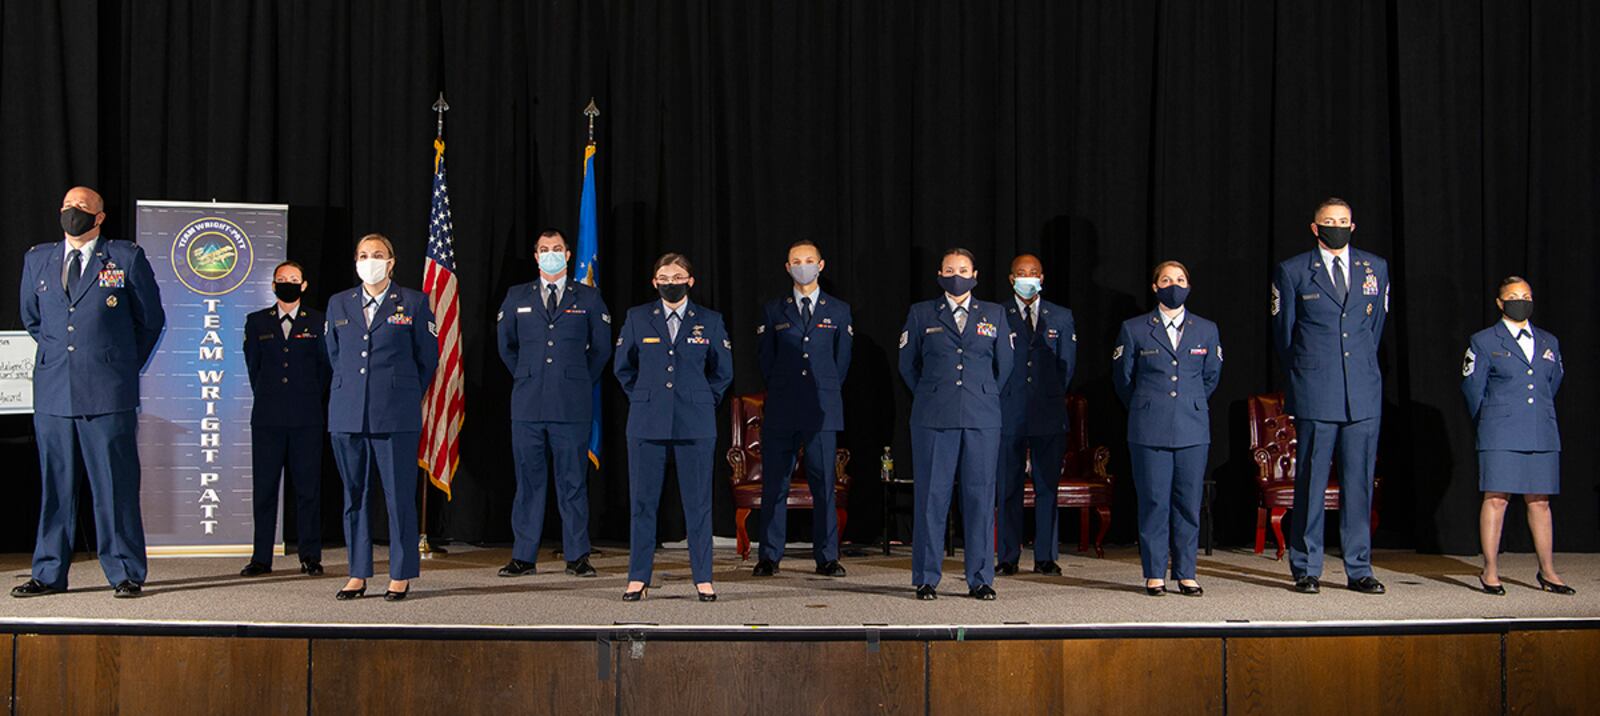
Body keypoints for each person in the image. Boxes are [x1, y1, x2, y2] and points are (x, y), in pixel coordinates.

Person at [12, 186, 165, 599]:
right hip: (54, 392)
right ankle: (48, 573)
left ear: (99, 218)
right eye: (66, 206)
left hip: (108, 392)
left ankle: (125, 572)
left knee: (114, 486)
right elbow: (32, 319)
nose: (72, 213)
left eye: (81, 208)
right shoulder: (37, 259)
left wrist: (118, 362)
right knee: (56, 487)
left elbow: (150, 320)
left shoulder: (125, 257)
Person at [1271, 197, 1390, 595]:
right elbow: (1286, 337)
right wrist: (1309, 373)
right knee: (1311, 482)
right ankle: (1306, 566)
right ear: (1315, 227)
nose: (1337, 226)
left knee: (1359, 484)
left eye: (1343, 221)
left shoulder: (1375, 268)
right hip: (1315, 390)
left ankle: (1359, 567)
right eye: (1329, 221)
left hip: (1362, 391)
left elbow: (1374, 330)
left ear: (1353, 226)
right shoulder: (1293, 271)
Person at [325, 234, 438, 601]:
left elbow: (427, 360)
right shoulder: (338, 303)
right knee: (354, 495)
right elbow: (334, 356)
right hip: (348, 414)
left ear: (391, 262)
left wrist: (398, 393)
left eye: (376, 255)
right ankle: (357, 573)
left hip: (395, 416)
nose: (368, 261)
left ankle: (400, 574)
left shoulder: (415, 303)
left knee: (398, 496)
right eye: (362, 255)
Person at [612, 253, 732, 601]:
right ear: (654, 282)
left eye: (677, 276)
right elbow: (623, 369)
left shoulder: (709, 321)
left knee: (698, 504)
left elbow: (722, 372)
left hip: (695, 423)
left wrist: (702, 399)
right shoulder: (637, 318)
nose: (670, 282)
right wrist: (646, 398)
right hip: (647, 423)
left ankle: (703, 577)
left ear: (690, 281)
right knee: (643, 503)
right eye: (664, 277)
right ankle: (638, 577)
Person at [495, 229, 612, 578]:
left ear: (568, 254)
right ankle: (524, 556)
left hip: (570, 405)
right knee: (529, 481)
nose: (550, 254)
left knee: (572, 481)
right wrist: (528, 376)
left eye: (556, 249)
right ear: (535, 256)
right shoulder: (517, 296)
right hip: (528, 405)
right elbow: (506, 347)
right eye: (544, 249)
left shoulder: (589, 298)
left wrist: (575, 379)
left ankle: (577, 554)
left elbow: (602, 350)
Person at [898, 248, 1014, 600]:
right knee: (932, 496)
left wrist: (981, 394)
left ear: (975, 274)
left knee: (980, 498)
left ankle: (980, 578)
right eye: (950, 269)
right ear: (939, 273)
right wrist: (934, 394)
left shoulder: (994, 314)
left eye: (963, 269)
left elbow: (1004, 366)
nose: (956, 274)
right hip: (934, 417)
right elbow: (908, 365)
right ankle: (926, 577)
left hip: (981, 417)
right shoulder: (921, 314)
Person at [1112, 261, 1221, 596]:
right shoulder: (1135, 329)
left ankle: (1187, 572)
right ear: (1155, 286)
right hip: (1149, 428)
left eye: (1180, 279)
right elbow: (1124, 380)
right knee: (1154, 502)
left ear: (1189, 285)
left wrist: (1185, 404)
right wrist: (1150, 406)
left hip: (1192, 428)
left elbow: (1210, 378)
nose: (1173, 284)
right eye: (1166, 279)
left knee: (1188, 503)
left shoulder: (1206, 329)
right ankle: (1155, 572)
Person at [1460, 276, 1573, 595]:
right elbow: (1472, 388)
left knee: (1540, 501)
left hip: (1541, 429)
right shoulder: (1484, 340)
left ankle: (1548, 571)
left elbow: (1554, 382)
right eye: (1513, 296)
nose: (1521, 301)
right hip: (1500, 429)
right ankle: (1490, 570)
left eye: (1526, 296)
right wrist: (1494, 417)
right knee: (1496, 498)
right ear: (1500, 303)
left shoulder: (1549, 341)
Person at [752, 240, 853, 578]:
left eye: (809, 260)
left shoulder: (838, 310)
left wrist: (820, 391)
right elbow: (766, 360)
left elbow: (842, 362)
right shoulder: (773, 309)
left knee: (824, 484)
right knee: (774, 485)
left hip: (822, 409)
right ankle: (768, 555)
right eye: (797, 261)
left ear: (821, 265)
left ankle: (826, 557)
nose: (803, 266)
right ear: (787, 267)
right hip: (782, 408)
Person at [240, 261, 331, 577]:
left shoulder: (319, 321)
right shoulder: (256, 322)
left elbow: (324, 369)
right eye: (282, 279)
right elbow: (255, 368)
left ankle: (310, 556)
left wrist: (305, 399)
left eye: (294, 279)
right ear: (273, 285)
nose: (288, 283)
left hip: (307, 417)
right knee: (264, 490)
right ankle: (261, 558)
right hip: (267, 418)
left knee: (308, 490)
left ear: (304, 285)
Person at [995, 254, 1076, 577]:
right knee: (1008, 487)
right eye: (1020, 273)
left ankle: (1045, 556)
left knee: (1047, 486)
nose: (1027, 278)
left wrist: (1048, 396)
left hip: (1048, 412)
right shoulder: (997, 313)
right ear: (1011, 278)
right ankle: (1008, 556)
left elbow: (1067, 366)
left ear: (1042, 277)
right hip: (1008, 411)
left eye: (1033, 273)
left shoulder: (1061, 316)